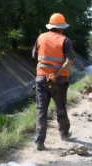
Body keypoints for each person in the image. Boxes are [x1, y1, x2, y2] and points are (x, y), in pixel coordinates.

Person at [32, 13, 74, 151]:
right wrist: (56, 74)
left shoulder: (40, 37)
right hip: (59, 81)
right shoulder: (65, 40)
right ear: (61, 28)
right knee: (60, 108)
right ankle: (64, 133)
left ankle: (39, 141)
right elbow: (70, 60)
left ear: (51, 26)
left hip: (41, 79)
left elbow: (34, 56)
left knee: (41, 110)